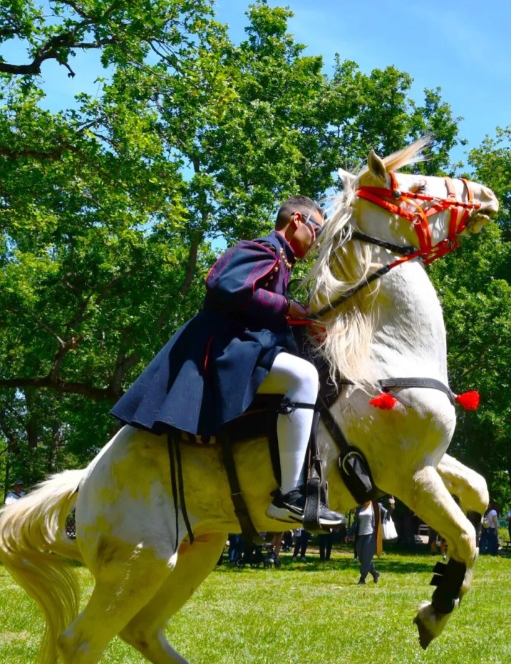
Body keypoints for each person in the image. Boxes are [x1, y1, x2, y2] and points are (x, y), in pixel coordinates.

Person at [109, 196, 343, 529]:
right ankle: (289, 496)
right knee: (303, 377)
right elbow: (223, 284)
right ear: (296, 220)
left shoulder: (282, 260)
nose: (317, 240)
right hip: (224, 349)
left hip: (244, 347)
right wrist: (286, 306)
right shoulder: (264, 248)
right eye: (317, 230)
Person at [351, 500, 388, 584]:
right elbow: (355, 522)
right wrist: (349, 534)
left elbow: (387, 514)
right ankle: (375, 573)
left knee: (366, 558)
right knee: (362, 559)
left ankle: (362, 578)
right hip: (360, 536)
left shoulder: (376, 506)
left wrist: (392, 506)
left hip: (371, 535)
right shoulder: (359, 507)